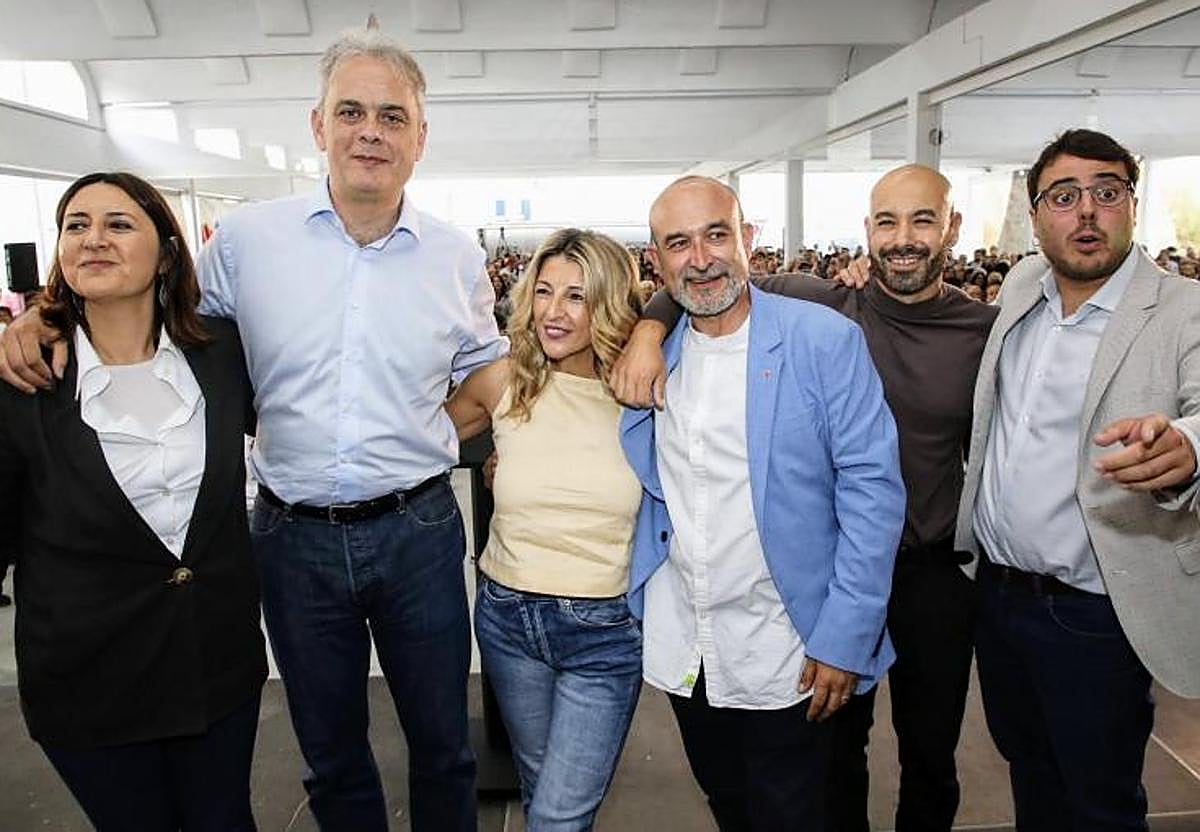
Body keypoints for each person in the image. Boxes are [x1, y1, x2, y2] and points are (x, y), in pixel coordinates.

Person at [0, 29, 504, 832]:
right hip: (291, 540)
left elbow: (487, 370)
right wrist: (43, 317)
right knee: (330, 751)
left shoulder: (454, 256)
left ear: (419, 137)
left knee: (443, 743)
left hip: (418, 531)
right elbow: (159, 319)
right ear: (317, 126)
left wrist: (423, 434)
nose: (369, 130)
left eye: (390, 115)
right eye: (350, 111)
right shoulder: (245, 241)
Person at [614, 165, 998, 832]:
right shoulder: (652, 354)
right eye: (678, 244)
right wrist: (648, 330)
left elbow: (873, 491)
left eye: (716, 235)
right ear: (656, 260)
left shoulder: (822, 337)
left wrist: (845, 639)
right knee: (730, 802)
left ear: (747, 238)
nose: (700, 259)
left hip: (791, 645)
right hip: (690, 647)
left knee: (804, 805)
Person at [0, 171, 266, 831]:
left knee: (226, 822)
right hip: (90, 680)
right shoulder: (23, 380)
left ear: (166, 252)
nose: (94, 239)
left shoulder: (222, 354)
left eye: (118, 224)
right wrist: (32, 319)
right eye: (76, 225)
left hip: (216, 662)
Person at [958, 129, 1200, 831]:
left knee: (1099, 801)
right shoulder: (1023, 292)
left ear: (1131, 204)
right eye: (1064, 197)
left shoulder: (1182, 309)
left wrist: (1185, 446)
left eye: (1106, 192)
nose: (1086, 212)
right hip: (1000, 599)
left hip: (1092, 614)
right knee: (1031, 774)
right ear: (1037, 218)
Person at [445, 228, 644, 831]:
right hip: (507, 617)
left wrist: (655, 328)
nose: (554, 311)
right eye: (545, 291)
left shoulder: (641, 392)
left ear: (608, 304)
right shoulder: (503, 381)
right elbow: (404, 450)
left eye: (578, 297)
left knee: (558, 816)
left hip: (604, 632)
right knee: (541, 793)